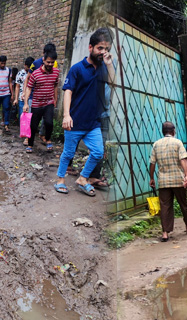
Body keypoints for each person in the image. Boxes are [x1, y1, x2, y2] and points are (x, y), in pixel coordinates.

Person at [54, 28, 116, 196]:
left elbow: (113, 83)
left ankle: (83, 178)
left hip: (93, 122)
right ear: (91, 47)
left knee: (97, 152)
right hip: (75, 121)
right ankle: (60, 180)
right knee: (68, 153)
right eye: (100, 48)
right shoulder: (77, 69)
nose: (104, 52)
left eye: (107, 49)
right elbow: (68, 91)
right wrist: (66, 115)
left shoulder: (104, 67)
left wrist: (109, 65)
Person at [149, 121, 187, 241]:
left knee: (165, 206)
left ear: (163, 131)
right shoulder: (177, 142)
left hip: (163, 181)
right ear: (173, 131)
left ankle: (165, 233)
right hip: (178, 180)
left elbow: (152, 163)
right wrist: (186, 175)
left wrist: (152, 178)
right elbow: (183, 160)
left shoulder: (156, 144)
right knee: (183, 203)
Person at [23, 50, 59, 152]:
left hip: (49, 102)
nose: (50, 64)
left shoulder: (56, 72)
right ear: (43, 60)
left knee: (49, 123)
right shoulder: (35, 74)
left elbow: (56, 85)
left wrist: (55, 99)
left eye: (52, 62)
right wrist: (26, 103)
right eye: (48, 62)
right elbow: (29, 88)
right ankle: (30, 144)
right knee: (33, 125)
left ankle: (47, 139)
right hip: (37, 103)